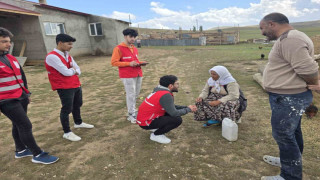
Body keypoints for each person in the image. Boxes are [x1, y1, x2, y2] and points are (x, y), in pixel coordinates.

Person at [259, 13, 319, 180]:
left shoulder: (291, 39)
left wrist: (315, 84)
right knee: (292, 132)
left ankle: (290, 175)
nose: (262, 33)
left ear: (271, 24)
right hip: (289, 96)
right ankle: (290, 160)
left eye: (262, 28)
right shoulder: (290, 37)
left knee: (283, 134)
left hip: (289, 98)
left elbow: (308, 69)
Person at [0, 27, 58, 164]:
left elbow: (21, 75)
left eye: (9, 41)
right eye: (4, 42)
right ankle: (37, 154)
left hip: (20, 97)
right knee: (25, 125)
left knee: (18, 124)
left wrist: (26, 93)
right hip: (7, 101)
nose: (9, 44)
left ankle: (20, 150)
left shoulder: (10, 57)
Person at [45, 34, 94, 142]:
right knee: (67, 108)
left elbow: (78, 69)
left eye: (72, 44)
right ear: (60, 43)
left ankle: (78, 122)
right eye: (69, 44)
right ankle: (67, 132)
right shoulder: (52, 56)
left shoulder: (67, 55)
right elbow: (66, 72)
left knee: (77, 104)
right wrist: (73, 70)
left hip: (75, 84)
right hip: (64, 86)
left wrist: (74, 70)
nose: (71, 46)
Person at [136, 75, 197, 144]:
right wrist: (188, 109)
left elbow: (170, 107)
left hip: (145, 119)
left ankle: (155, 127)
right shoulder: (166, 95)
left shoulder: (160, 90)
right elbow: (174, 113)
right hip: (146, 122)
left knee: (171, 115)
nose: (178, 85)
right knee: (177, 120)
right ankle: (156, 135)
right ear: (170, 86)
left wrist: (186, 107)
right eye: (177, 84)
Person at [111, 28, 147, 123]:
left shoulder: (134, 48)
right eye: (131, 37)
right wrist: (128, 64)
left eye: (134, 37)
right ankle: (131, 114)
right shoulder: (118, 48)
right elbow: (114, 62)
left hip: (138, 73)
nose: (133, 39)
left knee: (136, 93)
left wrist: (141, 62)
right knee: (130, 94)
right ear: (125, 36)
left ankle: (133, 110)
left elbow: (135, 60)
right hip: (127, 75)